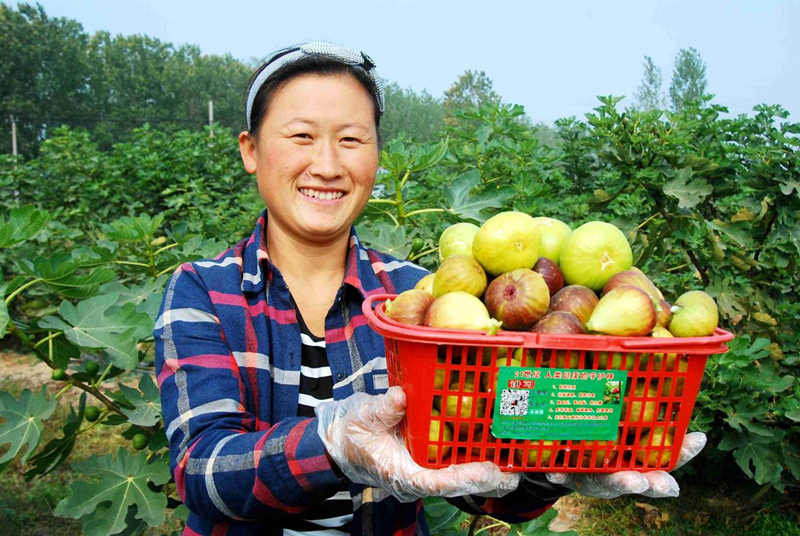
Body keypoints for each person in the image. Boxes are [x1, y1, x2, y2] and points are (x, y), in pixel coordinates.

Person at [154, 41, 706, 536]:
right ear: (251, 150)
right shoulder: (203, 291)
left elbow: (474, 475)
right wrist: (335, 447)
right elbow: (202, 471)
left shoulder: (419, 298)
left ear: (375, 156)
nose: (326, 164)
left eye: (351, 140)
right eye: (301, 136)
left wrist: (549, 467)